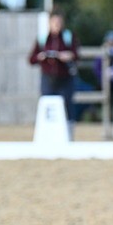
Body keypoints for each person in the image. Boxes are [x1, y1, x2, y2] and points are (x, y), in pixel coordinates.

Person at [28, 7, 80, 137]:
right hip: (48, 78)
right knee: (47, 106)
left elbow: (76, 55)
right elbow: (31, 59)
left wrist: (68, 56)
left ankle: (69, 136)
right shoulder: (43, 39)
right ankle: (47, 135)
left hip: (65, 78)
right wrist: (41, 57)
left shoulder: (68, 37)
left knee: (67, 106)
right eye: (54, 22)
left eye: (59, 22)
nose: (57, 25)